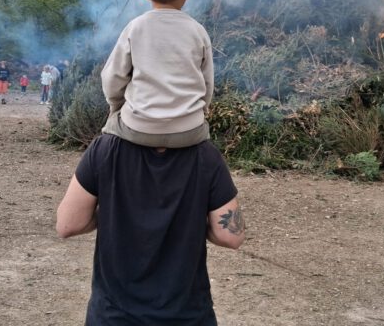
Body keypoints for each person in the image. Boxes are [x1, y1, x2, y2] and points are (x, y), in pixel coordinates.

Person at [56, 135, 246, 324]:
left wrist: (108, 215)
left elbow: (68, 224)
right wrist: (192, 223)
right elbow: (231, 236)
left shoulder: (104, 149)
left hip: (113, 318)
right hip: (186, 317)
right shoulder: (206, 155)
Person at [100, 0, 213, 149]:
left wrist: (116, 108)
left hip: (138, 127)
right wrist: (198, 113)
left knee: (106, 138)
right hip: (190, 131)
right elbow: (207, 85)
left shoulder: (134, 28)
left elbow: (112, 79)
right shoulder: (199, 31)